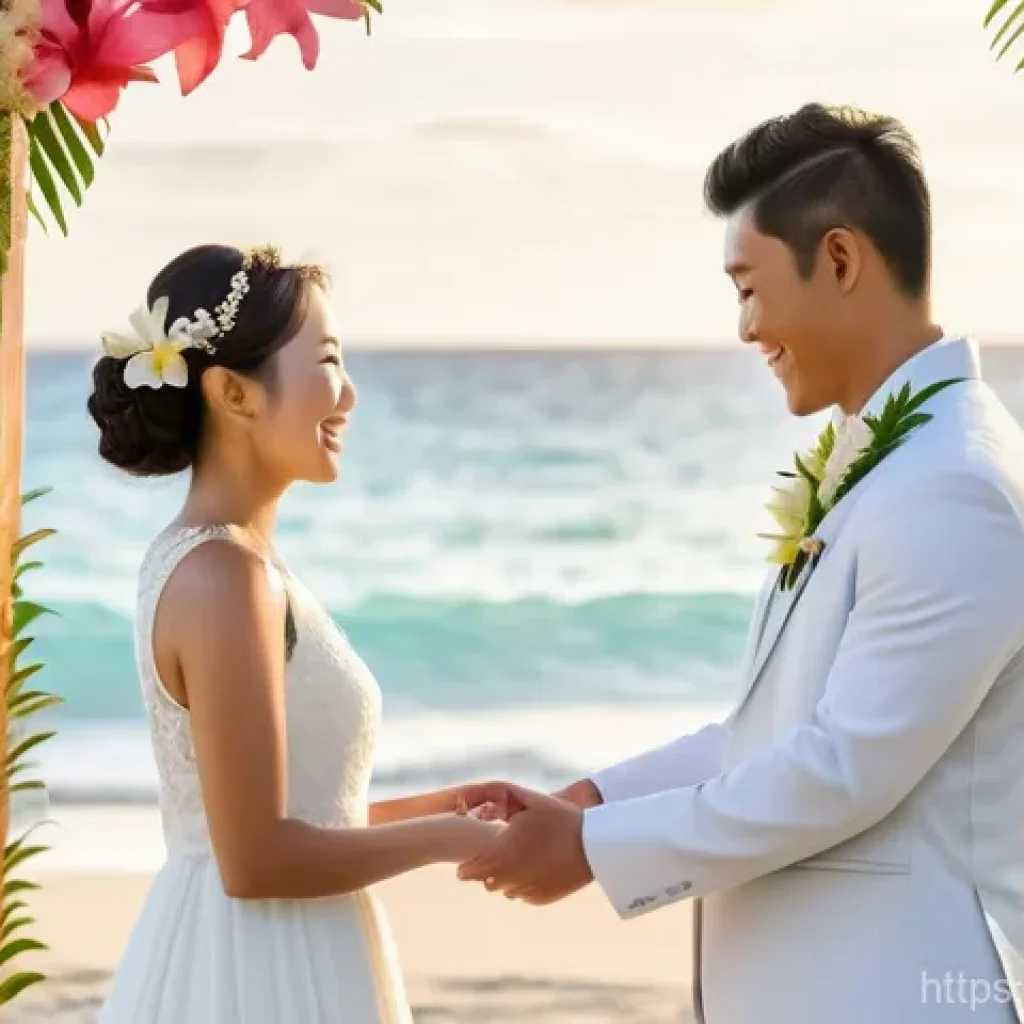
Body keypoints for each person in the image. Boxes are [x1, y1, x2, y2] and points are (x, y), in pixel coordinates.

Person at [455, 104, 1024, 1023]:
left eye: (750, 288)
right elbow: (778, 735)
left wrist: (592, 846)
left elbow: (843, 769)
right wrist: (590, 800)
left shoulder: (951, 483)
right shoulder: (887, 460)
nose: (746, 328)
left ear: (840, 261)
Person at [87, 243, 501, 1024]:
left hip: (283, 941)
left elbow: (291, 817)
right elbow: (255, 859)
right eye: (330, 360)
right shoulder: (221, 575)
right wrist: (446, 841)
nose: (348, 396)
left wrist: (443, 811)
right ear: (234, 392)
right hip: (255, 967)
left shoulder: (238, 564)